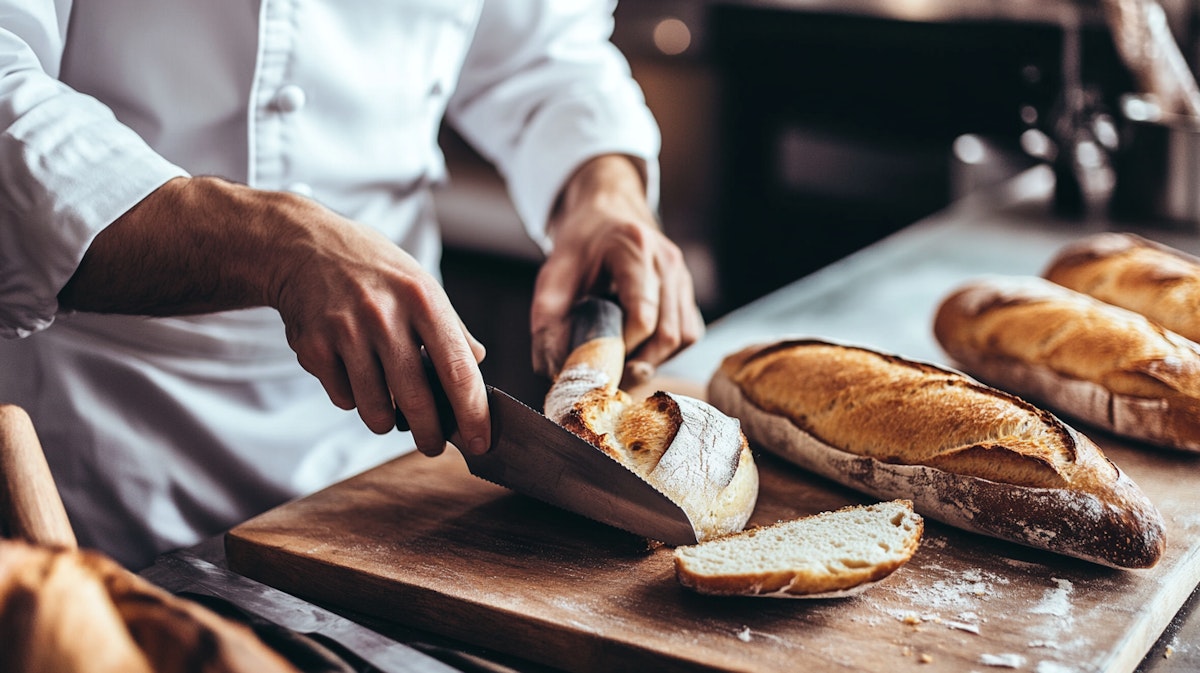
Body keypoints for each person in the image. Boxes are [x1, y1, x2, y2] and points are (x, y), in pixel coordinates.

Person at [0, 1, 705, 569]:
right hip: (97, 445)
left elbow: (543, 56)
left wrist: (603, 189)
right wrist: (273, 245)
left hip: (382, 458)